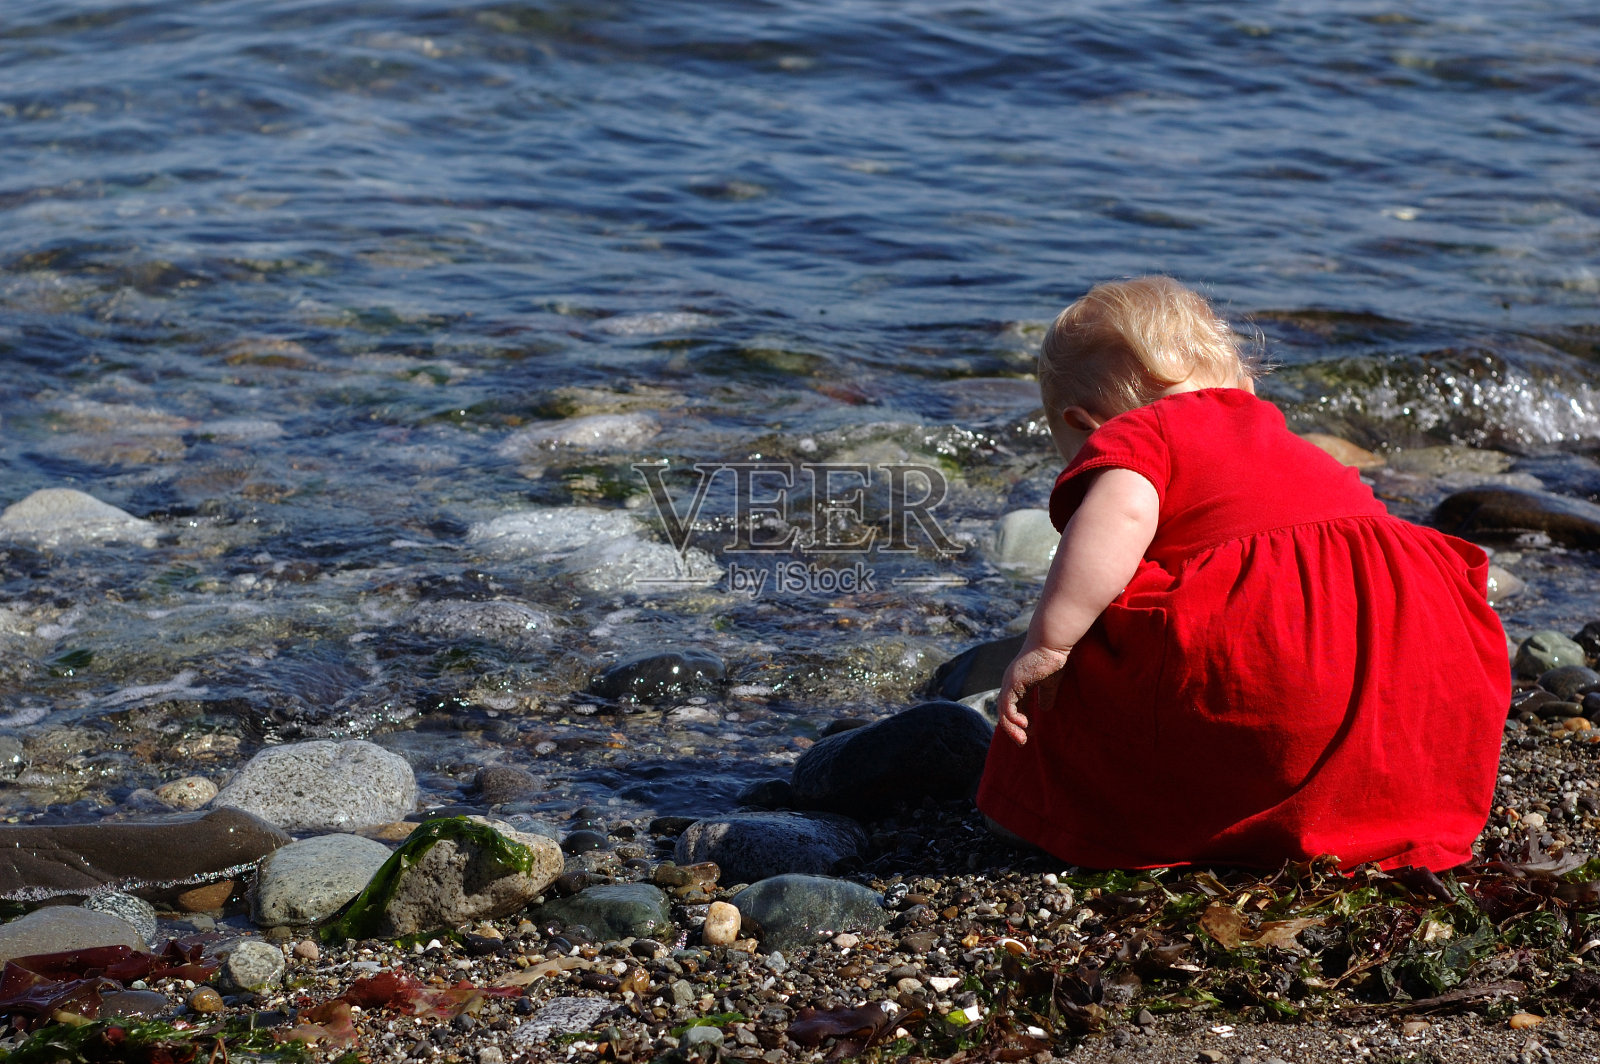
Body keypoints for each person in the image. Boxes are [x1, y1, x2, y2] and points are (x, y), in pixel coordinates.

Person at [975, 276, 1510, 873]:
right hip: (1415, 640)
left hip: (1274, 666)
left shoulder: (1140, 432)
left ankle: (1073, 811)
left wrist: (1049, 642)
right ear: (1245, 385)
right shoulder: (1285, 440)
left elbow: (1120, 517)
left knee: (1101, 637)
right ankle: (1383, 808)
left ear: (1085, 425)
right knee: (1360, 697)